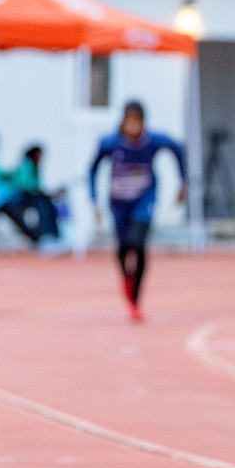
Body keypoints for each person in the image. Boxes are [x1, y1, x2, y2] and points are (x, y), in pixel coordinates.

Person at [88, 102, 188, 322]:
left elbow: (179, 149)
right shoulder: (110, 143)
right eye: (128, 121)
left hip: (144, 200)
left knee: (139, 243)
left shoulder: (153, 141)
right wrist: (94, 201)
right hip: (119, 203)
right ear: (122, 123)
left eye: (137, 121)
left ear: (143, 122)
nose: (132, 126)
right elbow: (92, 169)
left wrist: (183, 182)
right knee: (124, 247)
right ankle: (126, 278)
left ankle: (136, 298)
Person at [0, 145, 63, 249]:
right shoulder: (26, 166)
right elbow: (26, 187)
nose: (40, 158)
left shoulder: (35, 168)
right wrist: (45, 193)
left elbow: (36, 188)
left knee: (47, 202)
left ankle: (52, 237)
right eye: (39, 155)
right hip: (16, 199)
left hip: (26, 198)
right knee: (43, 203)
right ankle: (46, 237)